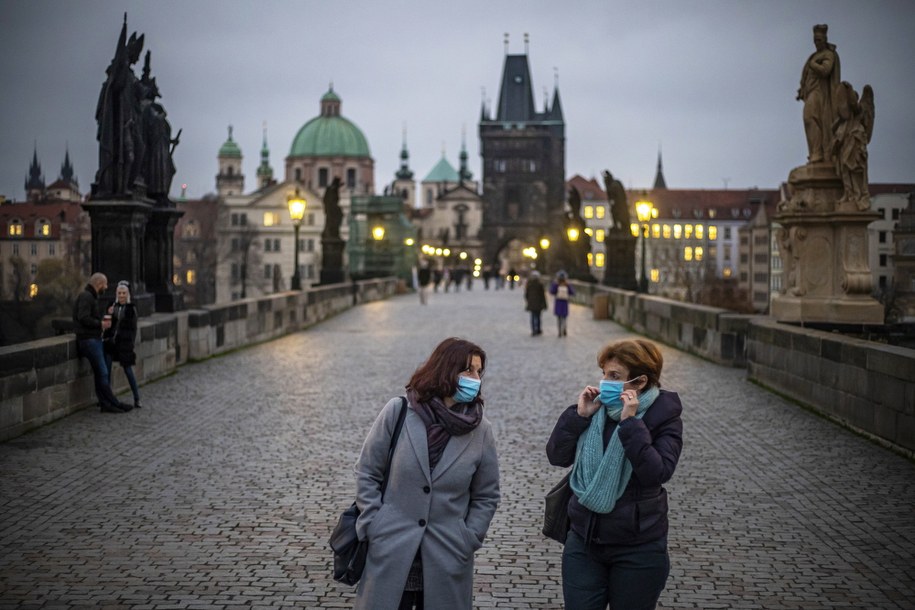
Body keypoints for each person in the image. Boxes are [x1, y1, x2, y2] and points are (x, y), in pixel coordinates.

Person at [354, 337, 500, 609]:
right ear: (446, 370)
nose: (476, 378)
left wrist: (468, 538)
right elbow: (368, 471)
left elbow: (487, 495)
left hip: (448, 556)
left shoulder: (481, 431)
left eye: (479, 372)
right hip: (391, 550)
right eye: (468, 370)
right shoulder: (398, 411)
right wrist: (373, 525)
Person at [546, 339, 683, 610]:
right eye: (604, 373)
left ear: (640, 382)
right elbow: (557, 456)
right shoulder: (598, 409)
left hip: (639, 547)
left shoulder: (664, 415)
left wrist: (631, 424)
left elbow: (657, 472)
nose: (604, 382)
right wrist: (578, 416)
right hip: (584, 542)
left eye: (614, 376)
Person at [72, 273, 133, 413]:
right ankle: (114, 403)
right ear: (99, 283)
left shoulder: (90, 297)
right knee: (103, 373)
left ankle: (105, 404)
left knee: (100, 373)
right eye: (105, 284)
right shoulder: (86, 297)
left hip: (92, 339)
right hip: (89, 340)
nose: (106, 287)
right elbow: (83, 317)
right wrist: (100, 324)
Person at [797, 24, 841, 164]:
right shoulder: (814, 56)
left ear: (825, 39)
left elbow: (826, 70)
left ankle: (818, 152)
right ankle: (815, 152)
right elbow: (807, 77)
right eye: (815, 40)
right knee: (809, 120)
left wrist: (813, 64)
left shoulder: (828, 54)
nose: (817, 43)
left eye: (819, 40)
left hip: (819, 94)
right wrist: (802, 90)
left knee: (811, 118)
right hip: (810, 93)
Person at [104, 281, 141, 408]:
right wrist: (109, 313)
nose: (121, 295)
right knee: (107, 370)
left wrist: (130, 344)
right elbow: (106, 324)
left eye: (124, 293)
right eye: (119, 293)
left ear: (128, 294)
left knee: (128, 370)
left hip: (124, 344)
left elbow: (133, 329)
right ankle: (107, 397)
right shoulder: (112, 306)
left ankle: (137, 398)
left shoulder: (131, 309)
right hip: (111, 343)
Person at [549, 271, 575, 337]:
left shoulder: (556, 284)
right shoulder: (567, 285)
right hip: (565, 303)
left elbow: (551, 291)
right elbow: (572, 292)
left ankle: (559, 331)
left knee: (559, 318)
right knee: (564, 318)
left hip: (558, 302)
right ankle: (564, 329)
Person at [524, 271, 548, 336]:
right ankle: (538, 329)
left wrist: (528, 301)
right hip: (539, 304)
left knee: (533, 316)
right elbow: (542, 296)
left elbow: (526, 295)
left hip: (531, 303)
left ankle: (533, 329)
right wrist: (545, 304)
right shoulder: (540, 285)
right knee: (538, 317)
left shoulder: (529, 285)